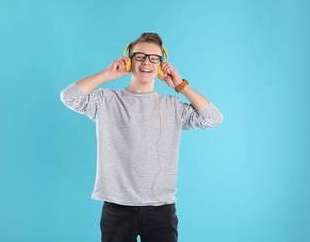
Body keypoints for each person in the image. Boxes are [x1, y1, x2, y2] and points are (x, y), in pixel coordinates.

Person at [60, 32, 223, 242]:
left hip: (161, 211)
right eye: (140, 56)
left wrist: (181, 86)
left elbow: (213, 118)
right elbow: (68, 96)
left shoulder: (172, 106)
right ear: (129, 61)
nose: (147, 62)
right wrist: (108, 74)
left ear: (161, 65)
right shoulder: (107, 100)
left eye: (154, 58)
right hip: (117, 208)